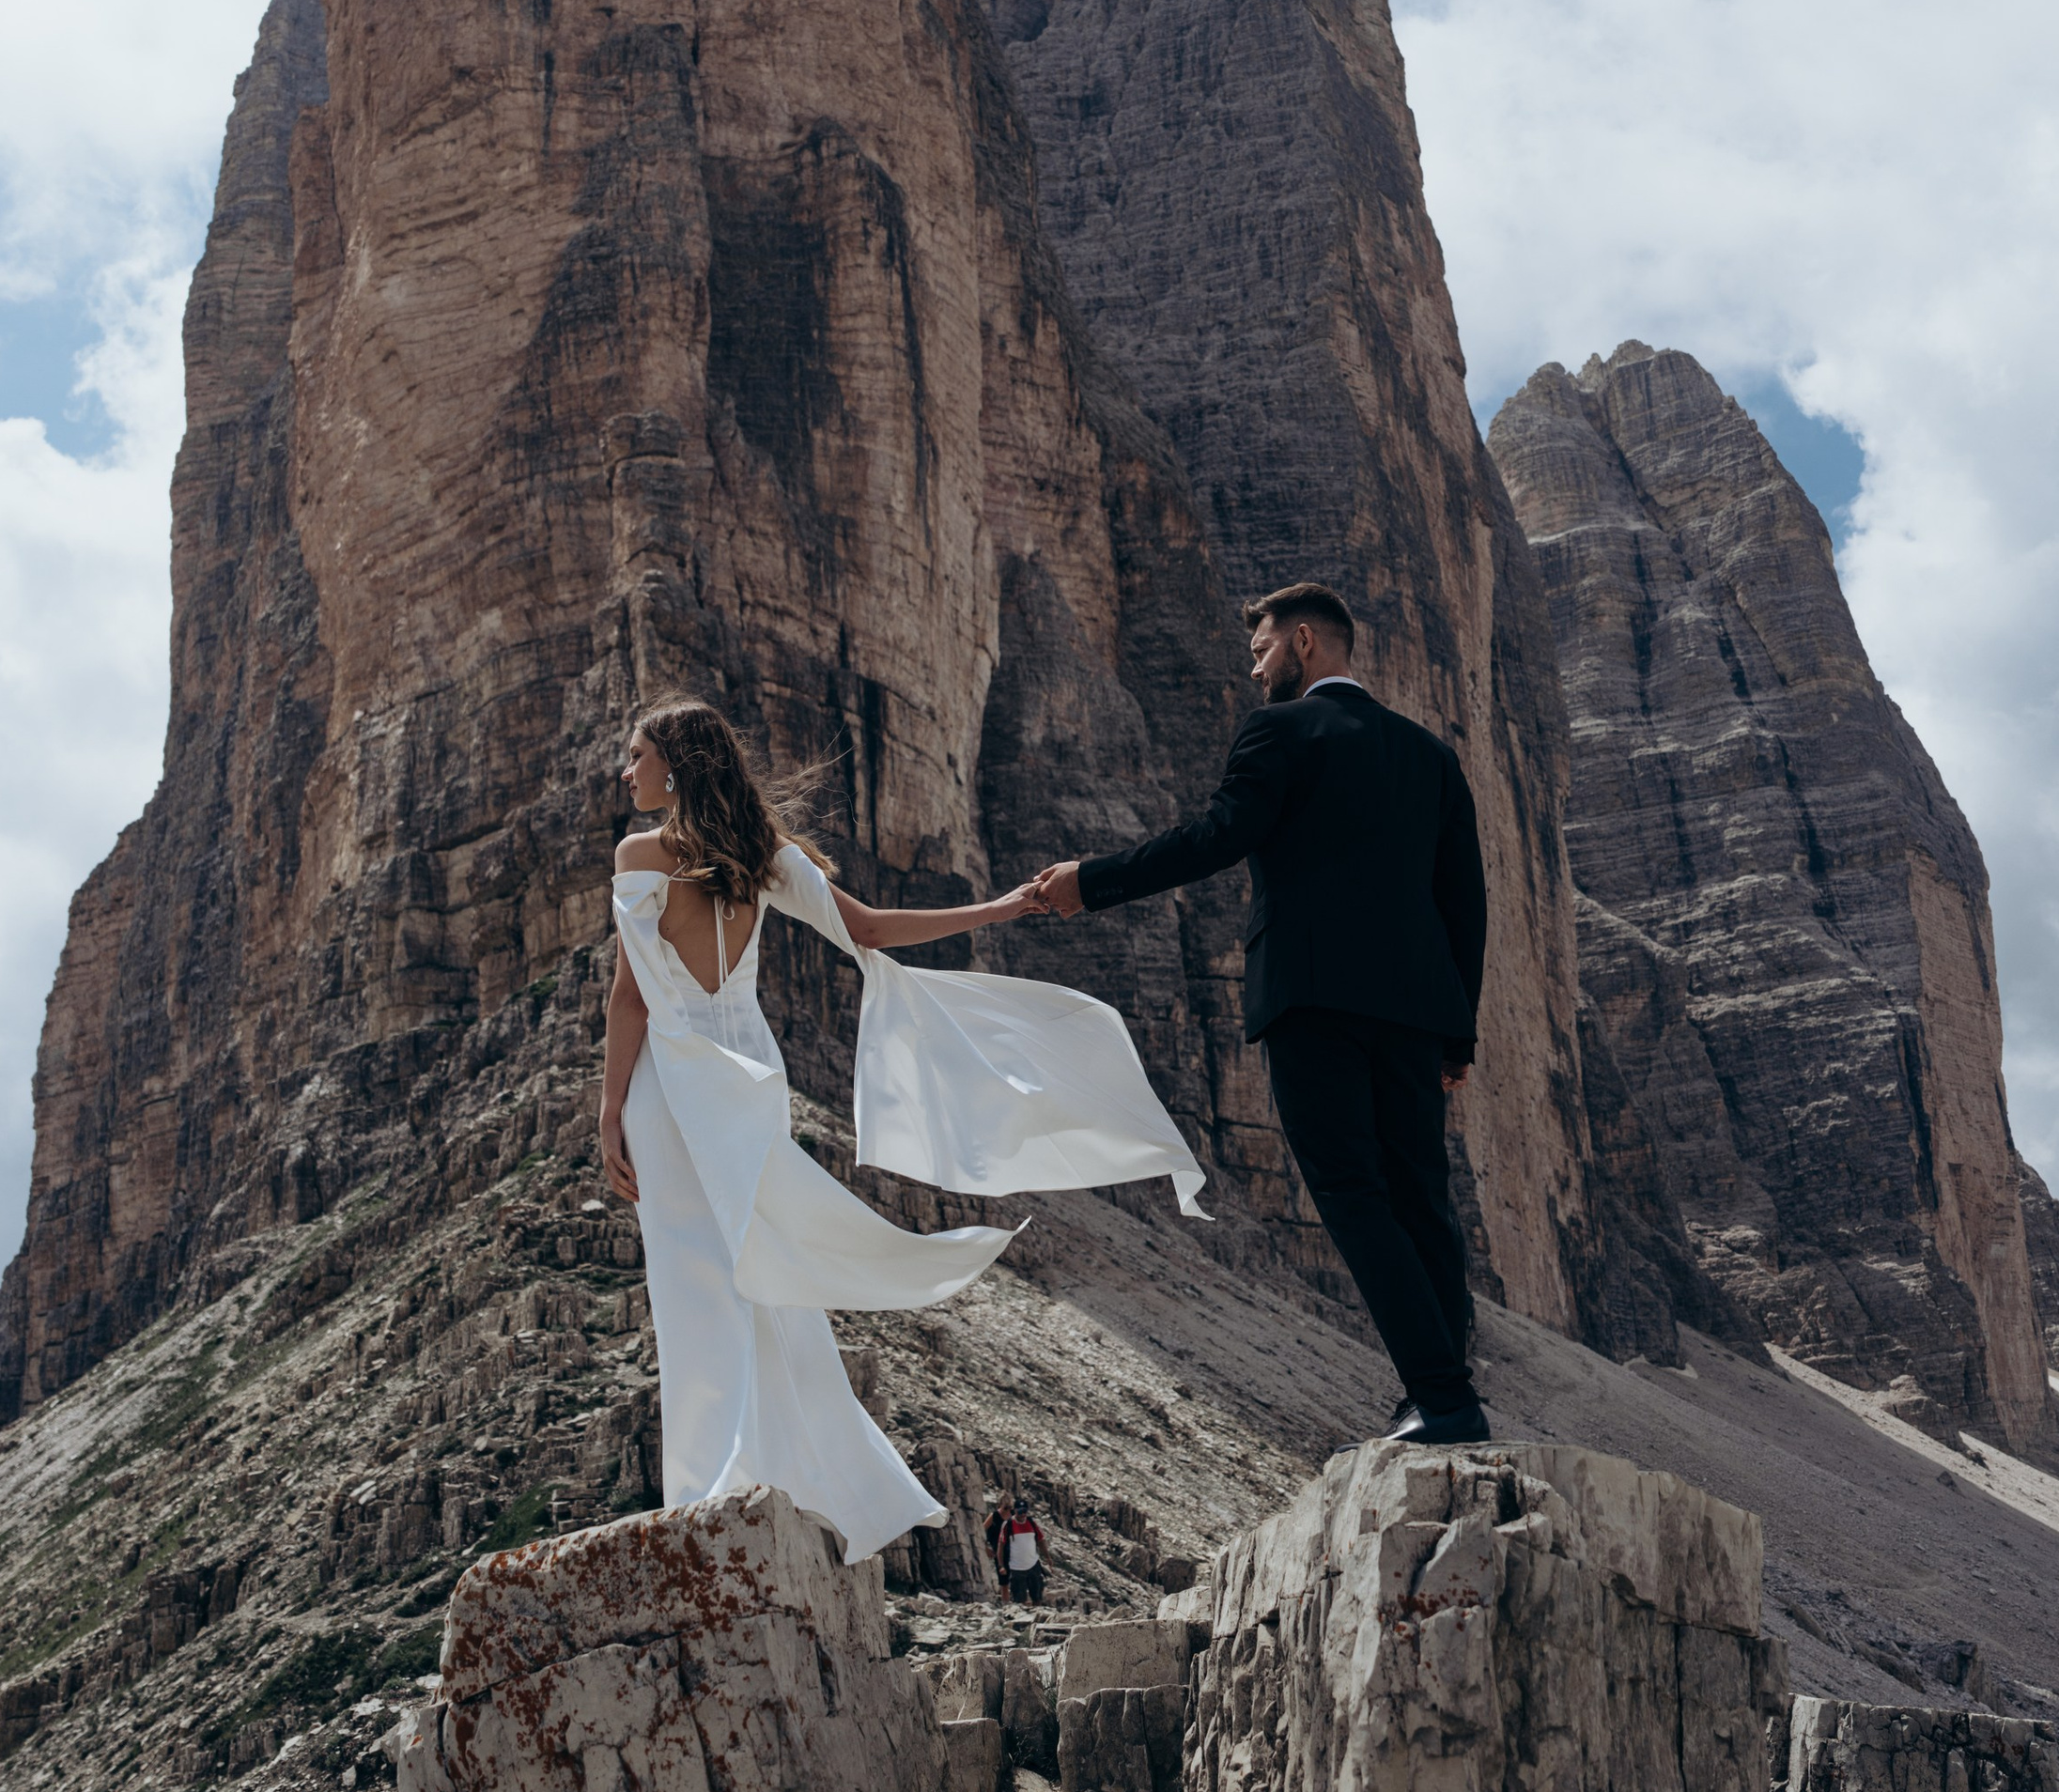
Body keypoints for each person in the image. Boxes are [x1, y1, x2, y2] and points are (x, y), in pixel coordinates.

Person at [599, 696, 1209, 1563]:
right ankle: (767, 1485)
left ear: (675, 763)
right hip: (752, 1083)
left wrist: (609, 1111)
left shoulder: (639, 856)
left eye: (636, 755)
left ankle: (704, 1493)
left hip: (674, 1088)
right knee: (767, 1283)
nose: (627, 773)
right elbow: (874, 932)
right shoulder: (765, 860)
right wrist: (998, 910)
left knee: (694, 1282)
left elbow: (631, 997)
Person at [1031, 581, 1493, 1446]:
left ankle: (1441, 1396)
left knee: (1353, 1193)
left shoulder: (1281, 732)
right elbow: (1463, 898)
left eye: (1261, 651)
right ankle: (1447, 1391)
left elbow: (1216, 839)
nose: (1254, 671)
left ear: (1307, 642)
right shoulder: (1431, 756)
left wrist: (1089, 882)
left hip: (1312, 999)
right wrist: (1456, 1028)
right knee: (1421, 1199)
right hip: (1416, 1011)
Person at [994, 1494, 1046, 1604]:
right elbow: (1001, 1546)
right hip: (1016, 1568)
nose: (1023, 1515)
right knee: (1019, 1600)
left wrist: (1048, 1557)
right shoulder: (1008, 1525)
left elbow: (1041, 1540)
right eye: (1020, 1512)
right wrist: (1001, 1565)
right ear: (1015, 1511)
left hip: (1033, 1565)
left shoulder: (1032, 1523)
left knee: (1037, 1597)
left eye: (1025, 1512)